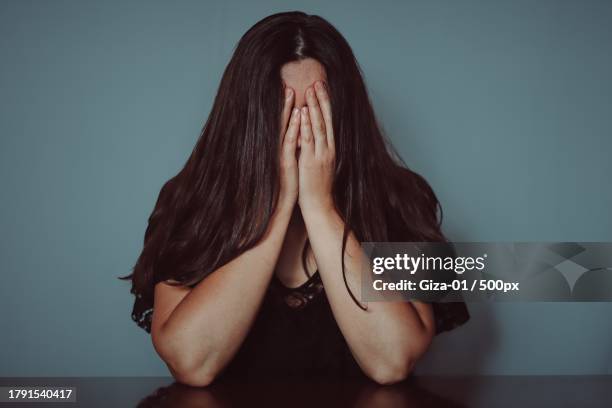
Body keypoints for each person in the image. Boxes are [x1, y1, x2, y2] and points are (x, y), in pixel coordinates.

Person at [119, 11, 469, 387]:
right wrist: (277, 208)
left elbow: (392, 361)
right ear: (249, 117)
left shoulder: (401, 198)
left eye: (317, 110)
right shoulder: (188, 200)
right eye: (283, 112)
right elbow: (191, 364)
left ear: (344, 114)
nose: (301, 131)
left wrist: (320, 208)